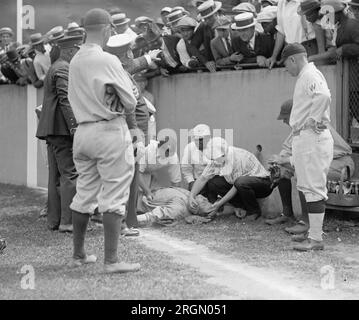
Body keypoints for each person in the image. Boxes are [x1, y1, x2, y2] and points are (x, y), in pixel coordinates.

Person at [68, 8, 140, 274]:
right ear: (108, 28)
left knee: (84, 193)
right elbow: (131, 101)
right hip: (109, 129)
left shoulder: (75, 60)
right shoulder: (108, 59)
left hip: (83, 131)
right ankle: (112, 261)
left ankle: (78, 255)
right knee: (114, 195)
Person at [266, 99, 355, 239]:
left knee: (304, 173)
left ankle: (306, 221)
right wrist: (277, 163)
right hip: (321, 161)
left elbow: (310, 156)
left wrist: (283, 160)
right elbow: (288, 150)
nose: (283, 121)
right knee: (284, 171)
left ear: (295, 113)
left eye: (285, 117)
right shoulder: (299, 126)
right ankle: (287, 213)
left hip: (340, 163)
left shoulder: (313, 124)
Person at [280, 43, 334, 251]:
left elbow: (324, 96)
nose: (286, 69)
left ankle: (316, 240)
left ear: (293, 59)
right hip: (305, 137)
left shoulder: (309, 73)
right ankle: (313, 235)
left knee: (313, 189)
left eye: (286, 64)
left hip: (312, 136)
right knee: (307, 187)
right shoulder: (306, 75)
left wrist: (313, 118)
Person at [36, 35, 82, 233]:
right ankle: (68, 222)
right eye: (76, 50)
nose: (78, 53)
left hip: (52, 130)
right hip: (61, 130)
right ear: (70, 50)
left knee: (56, 175)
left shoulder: (56, 66)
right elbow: (65, 99)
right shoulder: (64, 67)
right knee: (70, 174)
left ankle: (55, 220)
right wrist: (74, 127)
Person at [188, 137, 273, 219]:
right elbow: (203, 178)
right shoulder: (217, 159)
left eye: (215, 158)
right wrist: (191, 196)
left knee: (240, 182)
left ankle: (254, 211)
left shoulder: (238, 158)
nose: (214, 161)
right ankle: (241, 207)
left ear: (223, 154)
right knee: (214, 182)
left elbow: (236, 187)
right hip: (241, 184)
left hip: (263, 184)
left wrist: (219, 204)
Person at [267, 0, 316, 69]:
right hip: (291, 50)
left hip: (309, 48)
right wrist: (273, 57)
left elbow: (318, 25)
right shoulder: (281, 3)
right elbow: (281, 31)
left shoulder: (305, 1)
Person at [137, 187, 213, 226]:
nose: (204, 198)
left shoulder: (179, 207)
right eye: (206, 200)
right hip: (141, 191)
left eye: (204, 202)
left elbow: (158, 214)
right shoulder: (191, 195)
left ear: (195, 208)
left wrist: (134, 219)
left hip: (135, 201)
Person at [191, 0, 223, 72]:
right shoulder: (203, 26)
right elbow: (192, 46)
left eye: (210, 17)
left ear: (216, 13)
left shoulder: (227, 23)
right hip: (212, 68)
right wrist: (205, 62)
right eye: (205, 19)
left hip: (230, 65)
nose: (207, 21)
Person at [181, 124, 212, 190]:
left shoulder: (216, 146)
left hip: (214, 181)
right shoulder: (189, 148)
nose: (199, 142)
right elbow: (186, 169)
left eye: (201, 139)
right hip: (198, 180)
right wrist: (191, 183)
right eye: (196, 140)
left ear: (208, 138)